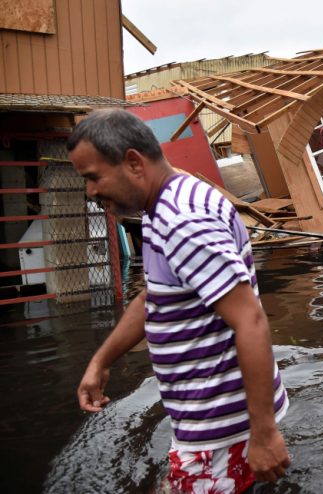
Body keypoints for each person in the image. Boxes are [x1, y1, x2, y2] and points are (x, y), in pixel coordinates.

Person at [69, 109, 290, 493]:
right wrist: (100, 361)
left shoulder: (183, 223)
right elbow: (155, 295)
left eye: (93, 177)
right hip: (213, 417)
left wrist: (264, 433)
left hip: (219, 426)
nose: (91, 192)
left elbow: (250, 321)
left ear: (133, 163)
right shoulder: (164, 206)